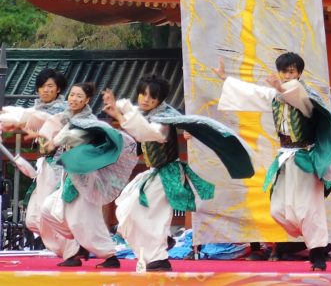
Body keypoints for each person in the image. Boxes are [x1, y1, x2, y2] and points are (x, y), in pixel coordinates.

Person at [216, 53, 331, 272]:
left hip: (305, 159)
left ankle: (318, 253)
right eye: (283, 71)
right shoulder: (275, 94)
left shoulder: (305, 93)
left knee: (309, 209)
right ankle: (306, 237)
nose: (287, 75)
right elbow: (252, 93)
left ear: (299, 73)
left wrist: (281, 89)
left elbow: (301, 102)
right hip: (285, 158)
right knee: (278, 209)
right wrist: (226, 78)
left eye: (291, 71)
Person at [107, 74, 254, 273]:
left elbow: (150, 133)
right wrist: (122, 112)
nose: (146, 99)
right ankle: (163, 242)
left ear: (160, 99)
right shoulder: (145, 114)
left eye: (152, 96)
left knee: (154, 215)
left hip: (167, 175)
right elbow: (139, 135)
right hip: (153, 174)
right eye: (143, 94)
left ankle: (159, 258)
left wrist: (120, 114)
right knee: (126, 210)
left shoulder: (164, 119)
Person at [36, 82, 132, 268]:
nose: (74, 99)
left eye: (79, 96)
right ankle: (80, 245)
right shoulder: (67, 118)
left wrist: (56, 140)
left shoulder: (90, 123)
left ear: (87, 100)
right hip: (69, 178)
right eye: (72, 95)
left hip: (85, 177)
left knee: (87, 219)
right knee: (48, 210)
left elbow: (76, 137)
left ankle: (109, 256)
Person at [21, 69, 68, 240]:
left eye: (50, 86)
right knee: (34, 216)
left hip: (61, 164)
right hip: (46, 164)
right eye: (41, 86)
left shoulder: (64, 111)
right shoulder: (36, 109)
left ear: (58, 89)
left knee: (53, 206)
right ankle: (53, 243)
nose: (45, 90)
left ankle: (68, 246)